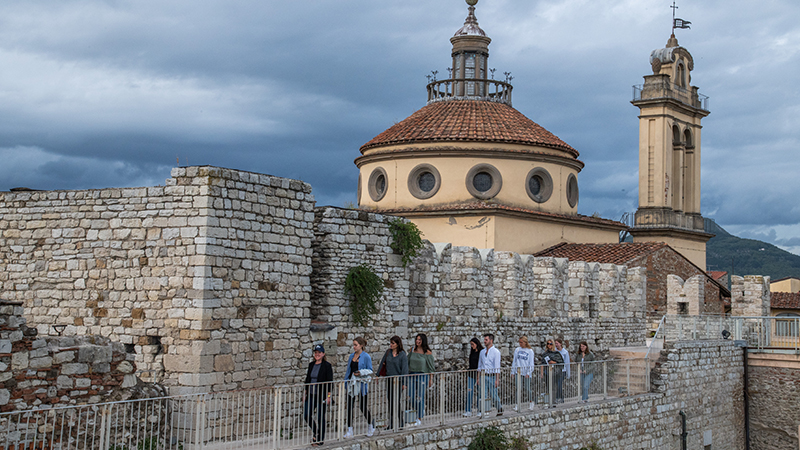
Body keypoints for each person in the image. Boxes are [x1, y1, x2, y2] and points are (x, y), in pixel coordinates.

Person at [344, 336, 375, 438]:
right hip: (351, 383)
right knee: (349, 407)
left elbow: (370, 370)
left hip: (361, 384)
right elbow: (348, 370)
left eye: (356, 345)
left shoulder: (366, 357)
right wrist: (346, 382)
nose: (354, 347)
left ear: (361, 345)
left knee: (362, 406)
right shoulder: (351, 356)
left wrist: (360, 373)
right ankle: (349, 430)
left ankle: (371, 424)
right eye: (353, 345)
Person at [304, 344, 333, 446]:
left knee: (321, 417)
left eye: (319, 353)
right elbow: (308, 379)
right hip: (311, 394)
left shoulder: (327, 366)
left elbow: (330, 382)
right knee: (306, 415)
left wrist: (328, 396)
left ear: (323, 354)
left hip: (321, 395)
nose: (317, 354)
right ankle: (316, 430)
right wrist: (305, 393)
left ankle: (320, 438)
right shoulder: (311, 365)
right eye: (316, 352)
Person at [379, 336, 408, 430]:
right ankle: (390, 423)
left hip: (398, 381)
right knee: (390, 401)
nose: (391, 345)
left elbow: (404, 369)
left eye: (393, 343)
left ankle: (401, 422)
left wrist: (404, 383)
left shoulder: (402, 354)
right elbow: (382, 363)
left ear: (397, 344)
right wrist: (377, 374)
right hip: (389, 380)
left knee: (397, 401)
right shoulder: (388, 352)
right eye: (390, 343)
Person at [407, 333, 435, 426]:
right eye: (416, 339)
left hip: (422, 375)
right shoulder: (412, 350)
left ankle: (419, 417)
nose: (417, 341)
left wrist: (431, 379)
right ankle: (419, 409)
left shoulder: (427, 352)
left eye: (419, 340)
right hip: (411, 375)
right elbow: (407, 362)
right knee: (410, 397)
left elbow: (431, 367)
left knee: (420, 397)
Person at [478, 333, 503, 416]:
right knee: (483, 394)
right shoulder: (482, 352)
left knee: (494, 395)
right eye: (484, 340)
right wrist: (478, 377)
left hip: (491, 376)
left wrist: (497, 379)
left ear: (491, 341)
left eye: (486, 340)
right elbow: (480, 365)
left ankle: (499, 408)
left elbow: (497, 367)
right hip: (483, 375)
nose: (484, 341)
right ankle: (485, 411)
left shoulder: (496, 352)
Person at [511, 335, 535, 410]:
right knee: (518, 388)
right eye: (519, 342)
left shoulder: (530, 351)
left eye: (521, 342)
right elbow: (514, 361)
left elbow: (531, 363)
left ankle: (531, 402)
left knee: (527, 388)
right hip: (518, 372)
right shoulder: (517, 350)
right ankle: (517, 404)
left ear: (525, 342)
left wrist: (528, 372)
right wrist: (512, 371)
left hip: (526, 372)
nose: (520, 344)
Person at [463, 337, 483, 417]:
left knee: (479, 393)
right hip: (471, 374)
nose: (471, 346)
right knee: (469, 392)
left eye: (472, 344)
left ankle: (480, 410)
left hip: (479, 374)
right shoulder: (472, 353)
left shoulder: (481, 352)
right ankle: (468, 410)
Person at [541, 339, 563, 408]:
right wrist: (541, 373)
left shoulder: (556, 353)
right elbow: (542, 363)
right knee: (548, 387)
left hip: (555, 372)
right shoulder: (545, 354)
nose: (549, 345)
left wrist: (553, 362)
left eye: (550, 344)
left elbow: (561, 362)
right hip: (547, 372)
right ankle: (548, 401)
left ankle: (553, 402)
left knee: (553, 387)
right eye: (548, 343)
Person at [555, 338, 570, 404]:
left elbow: (567, 363)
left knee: (559, 384)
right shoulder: (554, 351)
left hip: (562, 370)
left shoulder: (565, 352)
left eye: (557, 343)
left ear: (560, 344)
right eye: (555, 343)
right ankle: (559, 397)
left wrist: (568, 373)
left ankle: (559, 398)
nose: (556, 345)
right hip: (556, 370)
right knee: (556, 385)